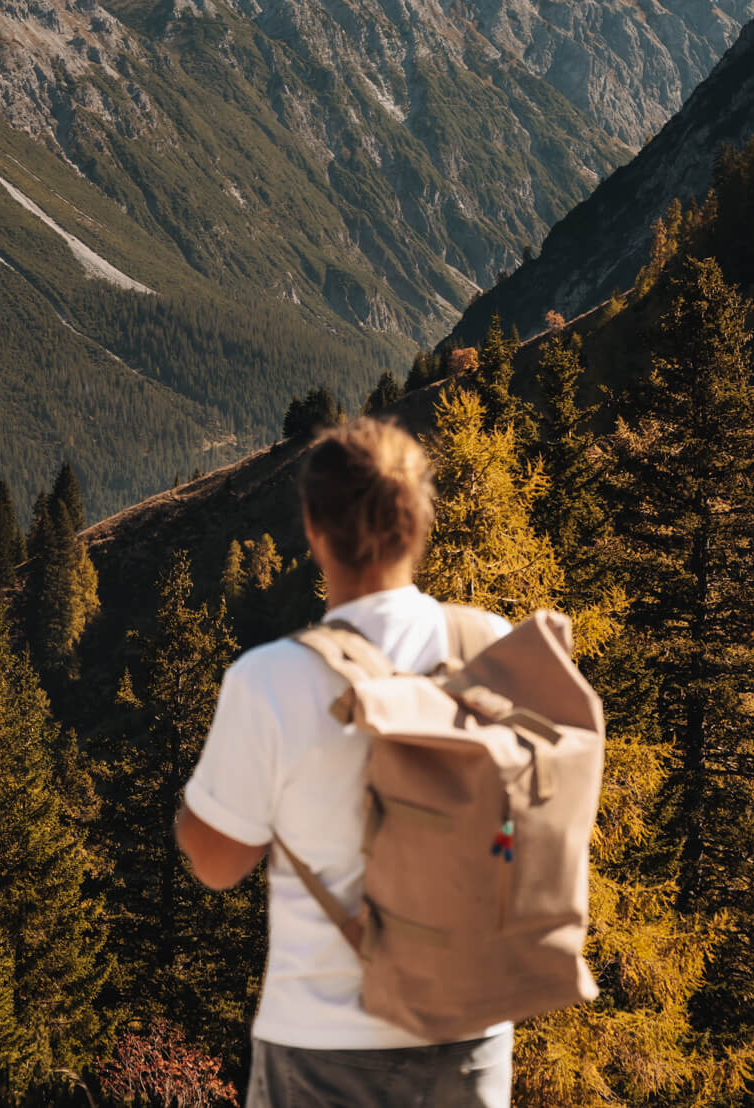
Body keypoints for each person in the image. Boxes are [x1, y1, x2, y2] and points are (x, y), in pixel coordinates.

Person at [175, 416, 513, 1108]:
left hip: (323, 1043)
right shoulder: (494, 647)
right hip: (471, 1031)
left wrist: (192, 811)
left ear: (313, 530)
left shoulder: (270, 679)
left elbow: (216, 863)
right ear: (419, 525)